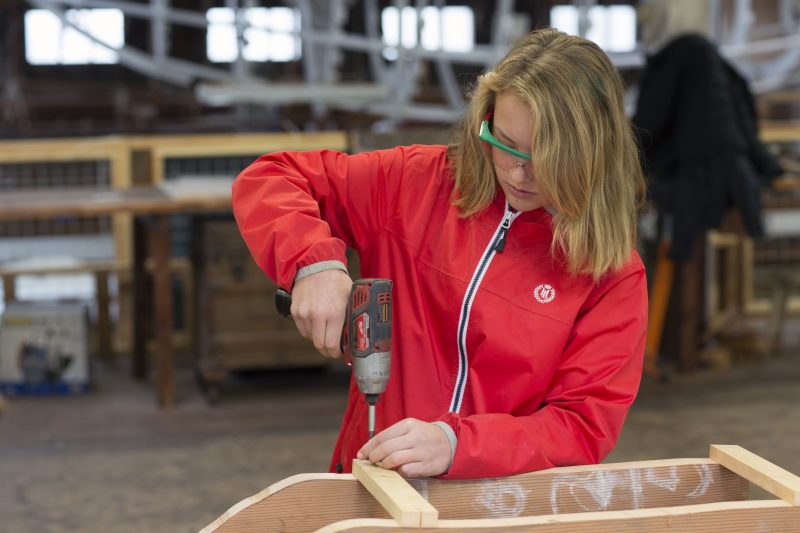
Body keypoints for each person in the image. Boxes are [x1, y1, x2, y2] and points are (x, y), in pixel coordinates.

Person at [232, 28, 648, 480]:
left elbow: (581, 427)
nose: (518, 172)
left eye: (545, 157)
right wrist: (313, 264)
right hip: (374, 486)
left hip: (497, 509)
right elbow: (272, 177)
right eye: (506, 143)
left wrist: (458, 444)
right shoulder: (414, 184)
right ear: (485, 118)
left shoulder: (612, 275)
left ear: (591, 154)